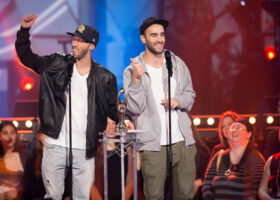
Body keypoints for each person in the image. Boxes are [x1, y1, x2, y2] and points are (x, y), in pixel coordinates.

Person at [15, 14, 118, 200]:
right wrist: (24, 31)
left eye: (81, 41)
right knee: (53, 195)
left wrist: (112, 120)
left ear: (92, 46)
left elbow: (112, 111)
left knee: (81, 197)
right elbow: (26, 57)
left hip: (85, 146)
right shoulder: (56, 63)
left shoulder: (105, 77)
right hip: (56, 144)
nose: (74, 44)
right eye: (74, 39)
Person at [123, 17, 197, 200]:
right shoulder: (132, 70)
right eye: (153, 35)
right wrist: (135, 80)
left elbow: (190, 95)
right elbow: (133, 108)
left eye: (162, 35)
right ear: (143, 38)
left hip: (182, 142)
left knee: (186, 195)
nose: (159, 39)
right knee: (154, 195)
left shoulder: (177, 63)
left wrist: (177, 100)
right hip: (152, 144)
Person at [203, 118, 265, 200]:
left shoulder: (255, 158)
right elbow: (207, 185)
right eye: (232, 127)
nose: (234, 130)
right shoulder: (219, 156)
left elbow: (257, 190)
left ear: (249, 134)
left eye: (239, 128)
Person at [90, 117, 134, 200]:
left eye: (114, 123)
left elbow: (131, 182)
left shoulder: (127, 149)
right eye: (107, 123)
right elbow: (90, 185)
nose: (111, 127)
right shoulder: (94, 151)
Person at [0, 121, 26, 200]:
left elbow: (32, 184)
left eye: (12, 133)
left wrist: (19, 192)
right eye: (5, 133)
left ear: (16, 135)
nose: (9, 136)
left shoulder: (25, 157)